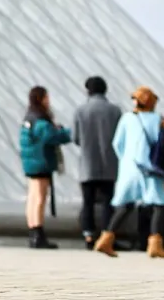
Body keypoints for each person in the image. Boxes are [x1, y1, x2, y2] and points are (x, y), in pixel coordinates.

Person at [94, 85, 164, 259]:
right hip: (151, 170)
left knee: (125, 205)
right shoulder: (159, 120)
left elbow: (117, 144)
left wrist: (126, 160)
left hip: (129, 169)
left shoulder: (127, 118)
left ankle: (106, 238)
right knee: (159, 205)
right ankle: (155, 244)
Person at [72, 75, 122, 249]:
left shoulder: (80, 111)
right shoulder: (115, 111)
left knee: (87, 203)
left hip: (88, 165)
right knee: (109, 202)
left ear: (88, 91)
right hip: (109, 164)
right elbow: (120, 139)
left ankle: (88, 237)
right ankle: (107, 237)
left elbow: (76, 138)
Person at [19, 86, 72, 249]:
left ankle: (33, 232)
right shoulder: (41, 120)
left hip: (31, 162)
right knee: (40, 197)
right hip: (41, 162)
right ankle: (38, 233)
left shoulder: (29, 118)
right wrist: (68, 132)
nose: (49, 100)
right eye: (47, 97)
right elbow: (52, 137)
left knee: (33, 196)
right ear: (41, 98)